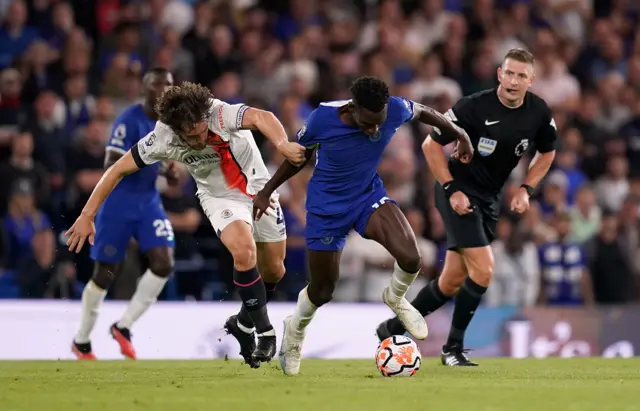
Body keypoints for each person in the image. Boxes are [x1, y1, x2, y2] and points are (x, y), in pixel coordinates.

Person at [65, 82, 306, 367]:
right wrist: (86, 215)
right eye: (190, 136)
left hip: (260, 189)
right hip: (219, 198)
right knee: (244, 252)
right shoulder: (162, 137)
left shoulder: (218, 112)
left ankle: (242, 324)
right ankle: (265, 333)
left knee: (275, 270)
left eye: (202, 131)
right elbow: (117, 169)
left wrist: (281, 144)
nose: (199, 139)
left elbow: (261, 117)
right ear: (176, 129)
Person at [252, 76, 474, 375]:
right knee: (322, 290)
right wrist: (267, 191)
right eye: (368, 123)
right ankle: (294, 331)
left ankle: (395, 298)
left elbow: (422, 111)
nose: (374, 129)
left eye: (379, 122)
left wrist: (459, 133)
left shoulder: (393, 108)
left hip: (367, 195)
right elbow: (297, 158)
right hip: (326, 208)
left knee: (412, 258)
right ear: (352, 108)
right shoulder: (322, 118)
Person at [376, 48, 558, 366]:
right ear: (500, 73)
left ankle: (391, 328)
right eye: (509, 73)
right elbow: (430, 145)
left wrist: (527, 188)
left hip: (488, 199)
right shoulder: (473, 107)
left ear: (532, 80)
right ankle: (452, 349)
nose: (513, 80)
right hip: (456, 192)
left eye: (521, 75)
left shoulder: (539, 113)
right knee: (485, 270)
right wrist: (451, 188)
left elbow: (547, 152)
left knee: (451, 282)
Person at [71, 67, 176, 360]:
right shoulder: (128, 120)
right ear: (145, 88)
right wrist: (152, 161)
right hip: (118, 203)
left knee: (164, 262)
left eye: (169, 84)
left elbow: (169, 160)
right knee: (105, 274)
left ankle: (124, 326)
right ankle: (81, 340)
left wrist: (169, 170)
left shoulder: (171, 122)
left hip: (148, 203)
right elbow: (110, 162)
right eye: (158, 84)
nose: (165, 89)